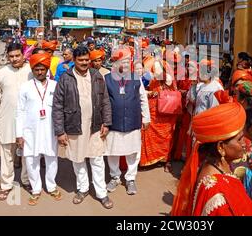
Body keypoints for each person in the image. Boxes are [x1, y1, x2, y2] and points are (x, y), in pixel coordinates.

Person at [52, 46, 113, 209]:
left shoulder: (96, 75)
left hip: (95, 125)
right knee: (78, 160)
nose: (85, 62)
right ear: (74, 61)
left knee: (97, 159)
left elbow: (105, 100)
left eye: (87, 60)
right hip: (73, 125)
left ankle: (101, 193)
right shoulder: (65, 78)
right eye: (81, 60)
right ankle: (83, 188)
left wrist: (107, 122)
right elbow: (57, 106)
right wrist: (60, 131)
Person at [171, 101, 252, 216]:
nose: (245, 143)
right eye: (240, 139)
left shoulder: (215, 163)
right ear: (221, 147)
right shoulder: (216, 193)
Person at [15, 53, 62, 206]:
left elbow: (61, 109)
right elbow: (20, 112)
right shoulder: (25, 87)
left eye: (42, 69)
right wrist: (19, 134)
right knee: (31, 160)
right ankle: (36, 189)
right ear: (33, 70)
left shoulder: (55, 86)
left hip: (50, 130)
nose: (40, 72)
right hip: (30, 131)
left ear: (47, 69)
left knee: (51, 158)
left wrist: (61, 131)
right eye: (37, 69)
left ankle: (51, 186)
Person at [104, 48, 150, 195]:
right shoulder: (107, 78)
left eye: (127, 61)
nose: (125, 63)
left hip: (133, 120)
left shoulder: (135, 77)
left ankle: (130, 178)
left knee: (133, 152)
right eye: (121, 61)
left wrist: (146, 117)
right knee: (112, 151)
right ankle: (115, 177)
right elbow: (103, 102)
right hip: (114, 122)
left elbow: (143, 98)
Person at [0, 43, 31, 201]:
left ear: (23, 55)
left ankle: (27, 180)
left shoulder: (31, 71)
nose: (14, 59)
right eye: (11, 56)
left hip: (29, 121)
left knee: (28, 154)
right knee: (7, 153)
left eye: (17, 55)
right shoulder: (1, 73)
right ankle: (6, 185)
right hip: (7, 119)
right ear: (8, 57)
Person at [140, 58, 177, 172]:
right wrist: (150, 92)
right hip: (152, 111)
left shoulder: (167, 78)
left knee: (167, 136)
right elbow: (141, 89)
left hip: (166, 112)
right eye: (154, 67)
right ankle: (147, 160)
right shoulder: (148, 77)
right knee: (147, 132)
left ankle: (166, 160)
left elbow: (169, 83)